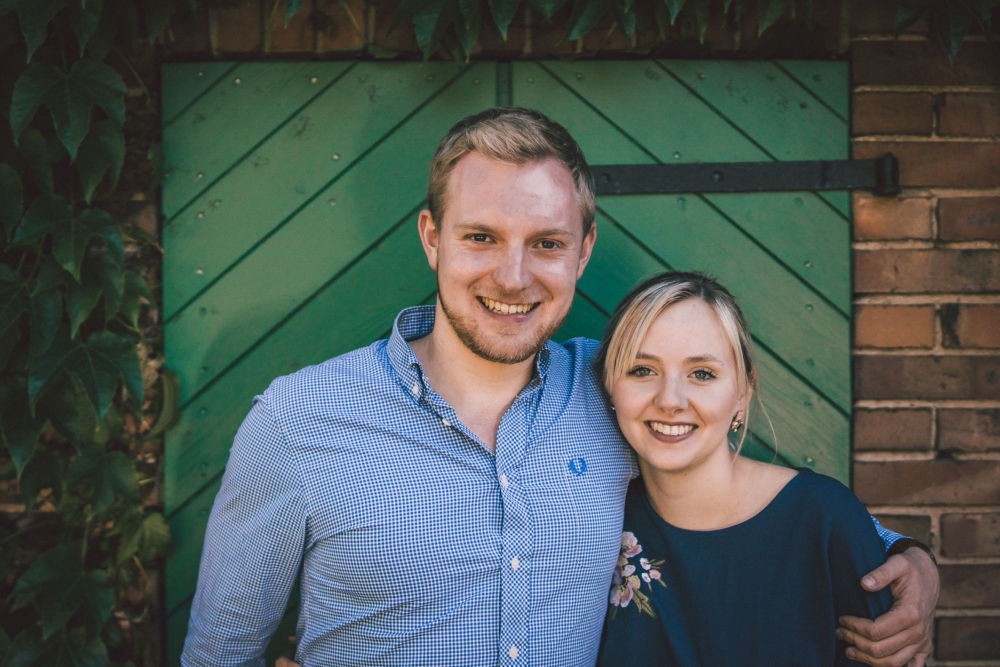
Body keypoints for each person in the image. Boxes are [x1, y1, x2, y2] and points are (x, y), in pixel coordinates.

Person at [182, 107, 938, 667]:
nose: (513, 277)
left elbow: (744, 495)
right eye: (481, 237)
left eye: (545, 243)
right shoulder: (299, 421)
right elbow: (220, 655)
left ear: (584, 252)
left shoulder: (619, 394)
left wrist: (914, 564)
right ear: (431, 238)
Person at [593, 272, 894, 665]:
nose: (670, 400)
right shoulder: (593, 519)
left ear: (742, 392)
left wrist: (919, 558)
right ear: (610, 387)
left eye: (702, 373)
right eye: (642, 370)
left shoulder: (823, 518)